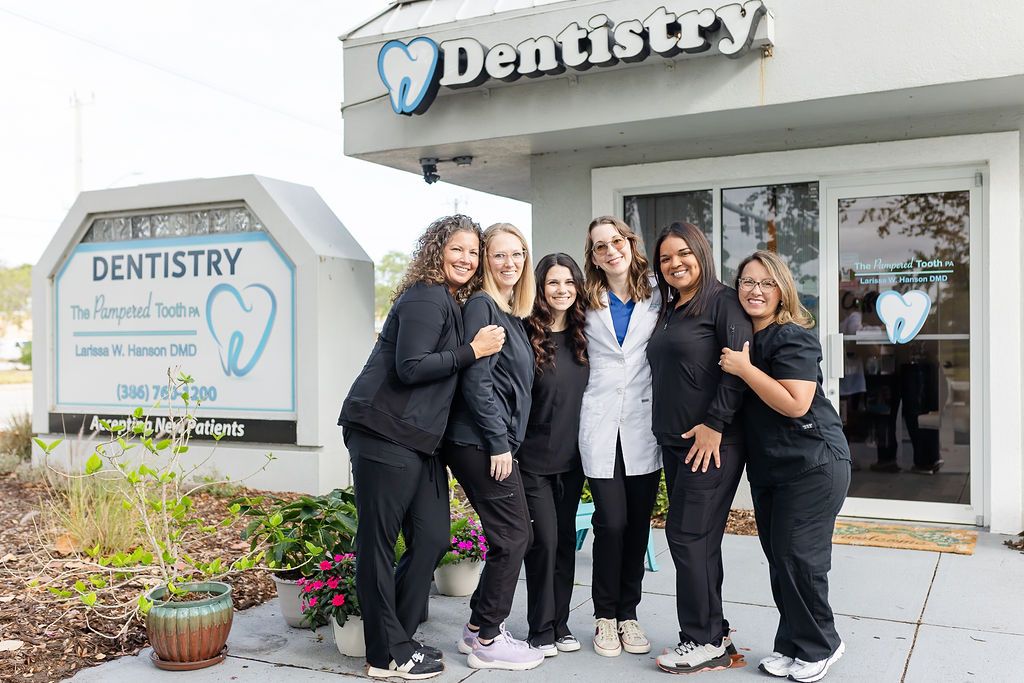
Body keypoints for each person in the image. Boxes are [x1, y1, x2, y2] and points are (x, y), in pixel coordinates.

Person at [337, 215, 506, 680]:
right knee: (378, 544)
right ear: (437, 250)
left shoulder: (451, 302)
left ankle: (398, 638)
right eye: (458, 249)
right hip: (383, 431)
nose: (467, 259)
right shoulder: (427, 297)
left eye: (474, 252)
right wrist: (473, 351)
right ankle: (384, 653)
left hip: (420, 441)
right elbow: (410, 367)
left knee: (432, 536)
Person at [719, 250, 851, 682]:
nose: (755, 291)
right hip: (774, 468)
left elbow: (796, 404)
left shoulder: (791, 336)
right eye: (747, 282)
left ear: (782, 290)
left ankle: (822, 645)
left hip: (813, 462)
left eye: (766, 283)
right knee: (780, 558)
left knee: (800, 557)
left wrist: (744, 369)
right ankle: (792, 643)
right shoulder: (745, 337)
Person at [648, 222, 752, 675]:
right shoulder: (672, 307)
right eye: (666, 258)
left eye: (683, 254)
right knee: (700, 539)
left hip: (712, 443)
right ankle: (715, 628)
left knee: (687, 536)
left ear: (702, 253)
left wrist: (714, 423)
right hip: (676, 442)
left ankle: (702, 639)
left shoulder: (723, 300)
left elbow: (737, 368)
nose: (675, 264)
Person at [442, 223, 544, 672]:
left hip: (490, 442)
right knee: (514, 536)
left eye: (517, 254)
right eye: (500, 255)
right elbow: (476, 382)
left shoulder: (509, 311)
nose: (510, 263)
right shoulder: (483, 304)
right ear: (486, 260)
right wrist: (499, 444)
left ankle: (476, 629)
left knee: (515, 533)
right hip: (479, 442)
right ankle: (487, 637)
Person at [579, 215, 662, 658]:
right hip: (599, 421)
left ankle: (628, 613)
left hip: (643, 424)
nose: (610, 251)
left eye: (617, 241)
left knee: (637, 525)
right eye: (599, 246)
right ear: (592, 257)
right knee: (611, 523)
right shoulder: (584, 298)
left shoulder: (658, 291)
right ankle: (604, 617)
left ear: (631, 242)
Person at [520, 253, 590, 656]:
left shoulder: (585, 335)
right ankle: (540, 628)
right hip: (531, 461)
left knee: (564, 543)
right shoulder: (526, 335)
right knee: (543, 542)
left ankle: (560, 623)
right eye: (552, 283)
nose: (562, 290)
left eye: (568, 282)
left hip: (573, 461)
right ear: (540, 289)